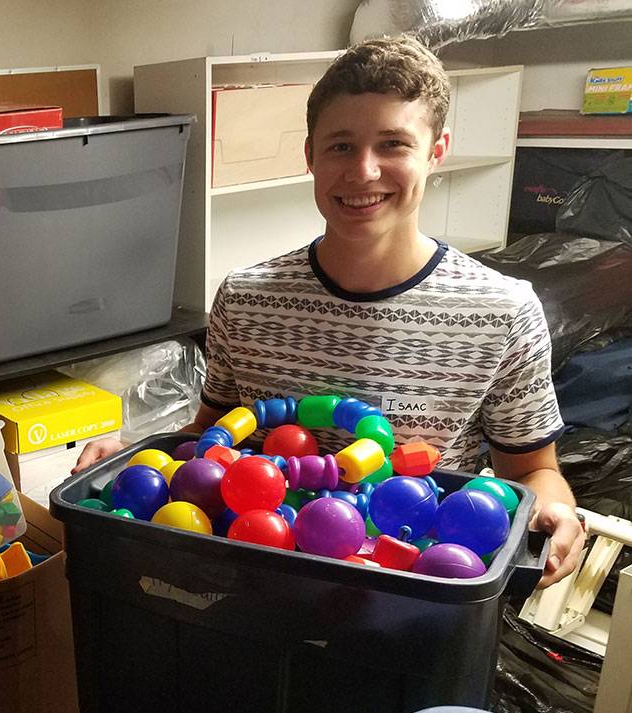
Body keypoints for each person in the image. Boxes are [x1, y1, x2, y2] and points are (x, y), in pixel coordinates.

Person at [74, 35, 585, 588]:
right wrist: (136, 454)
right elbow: (209, 434)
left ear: (436, 152)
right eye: (341, 146)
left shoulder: (502, 312)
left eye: (393, 144)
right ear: (310, 155)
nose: (364, 172)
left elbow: (533, 470)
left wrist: (557, 513)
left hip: (402, 590)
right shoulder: (246, 299)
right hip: (254, 579)